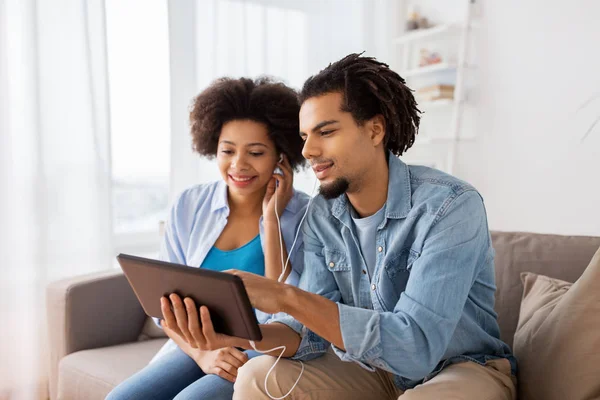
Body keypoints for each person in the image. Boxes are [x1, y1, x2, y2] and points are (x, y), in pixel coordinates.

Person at [160, 54, 517, 400]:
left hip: (459, 366)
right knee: (257, 376)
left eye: (325, 132)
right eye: (304, 137)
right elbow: (308, 337)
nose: (309, 150)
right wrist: (237, 333)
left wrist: (286, 296)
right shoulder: (323, 215)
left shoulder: (450, 206)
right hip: (369, 369)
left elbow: (417, 348)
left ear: (375, 129)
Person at [106, 77, 310, 400]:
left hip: (266, 349)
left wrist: (271, 221)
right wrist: (203, 354)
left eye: (255, 152)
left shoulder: (304, 217)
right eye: (227, 150)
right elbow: (164, 307)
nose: (238, 165)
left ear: (281, 157)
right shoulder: (190, 206)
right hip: (199, 346)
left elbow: (291, 307)